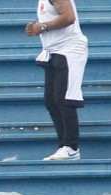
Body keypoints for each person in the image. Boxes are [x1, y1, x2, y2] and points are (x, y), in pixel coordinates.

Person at [25, 0, 88, 161]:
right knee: (51, 101)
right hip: (54, 50)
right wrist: (37, 27)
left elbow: (69, 17)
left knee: (64, 98)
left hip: (69, 50)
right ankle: (63, 146)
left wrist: (43, 26)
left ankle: (71, 147)